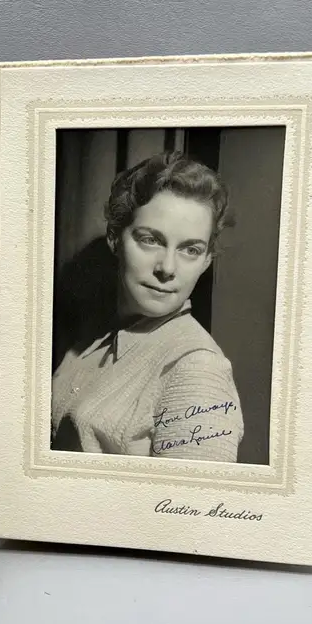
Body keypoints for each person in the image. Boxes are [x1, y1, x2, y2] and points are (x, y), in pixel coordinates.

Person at [51, 150, 244, 462]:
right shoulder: (94, 334)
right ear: (115, 237)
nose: (167, 268)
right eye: (151, 240)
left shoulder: (197, 371)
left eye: (190, 250)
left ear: (207, 260)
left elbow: (191, 495)